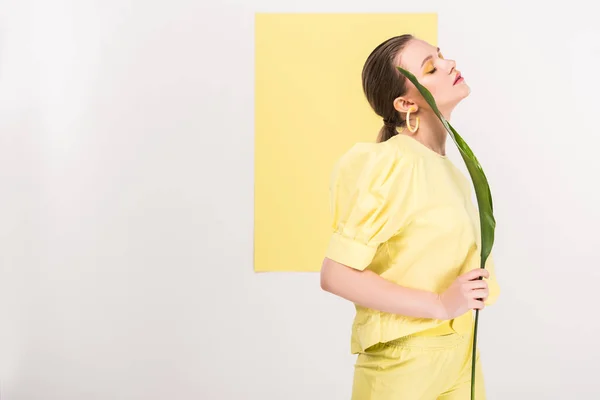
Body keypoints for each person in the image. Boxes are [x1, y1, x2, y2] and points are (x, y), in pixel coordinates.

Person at [319, 34, 501, 399]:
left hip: (461, 355)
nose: (448, 64)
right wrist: (438, 304)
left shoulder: (449, 170)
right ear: (406, 103)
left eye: (442, 57)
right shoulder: (389, 164)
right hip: (402, 365)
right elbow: (336, 274)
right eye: (431, 68)